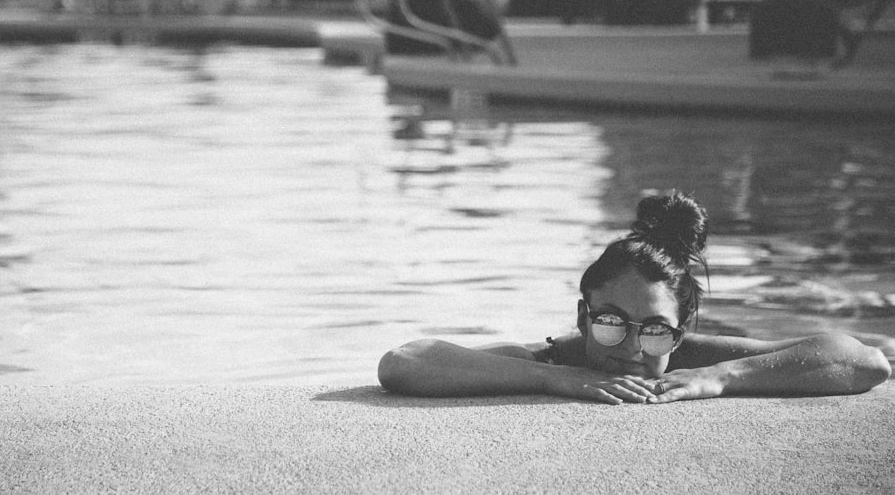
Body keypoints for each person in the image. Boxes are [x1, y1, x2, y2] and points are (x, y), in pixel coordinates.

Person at [378, 192, 891, 404]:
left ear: (680, 328)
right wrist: (555, 378)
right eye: (609, 322)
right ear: (583, 316)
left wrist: (722, 377)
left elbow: (866, 361)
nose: (627, 348)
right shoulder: (559, 355)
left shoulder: (691, 356)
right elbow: (404, 360)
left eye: (653, 330)